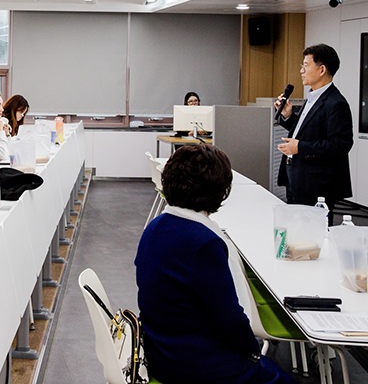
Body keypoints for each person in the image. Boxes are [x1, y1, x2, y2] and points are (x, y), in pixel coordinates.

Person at [135, 145, 294, 384]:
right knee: (281, 378)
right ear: (220, 191)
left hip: (159, 354)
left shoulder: (154, 227)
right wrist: (253, 352)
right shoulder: (204, 243)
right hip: (196, 365)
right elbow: (230, 320)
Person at [275, 44, 353, 218]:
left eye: (306, 65)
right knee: (295, 227)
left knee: (313, 230)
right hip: (296, 176)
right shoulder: (313, 97)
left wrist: (300, 147)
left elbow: (341, 144)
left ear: (322, 69)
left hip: (317, 183)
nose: (301, 71)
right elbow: (308, 132)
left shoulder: (336, 103)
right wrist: (288, 116)